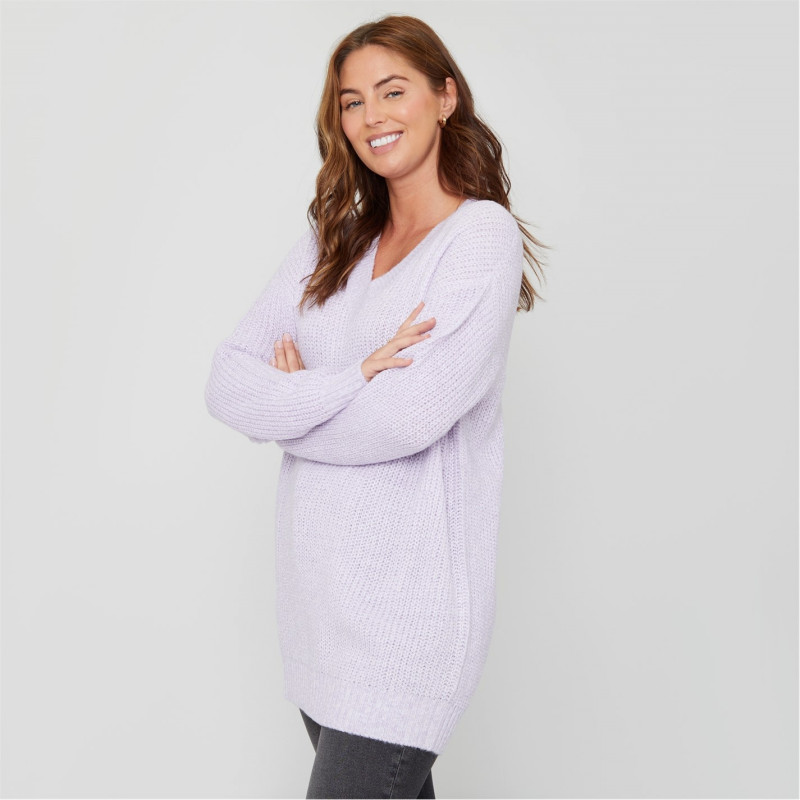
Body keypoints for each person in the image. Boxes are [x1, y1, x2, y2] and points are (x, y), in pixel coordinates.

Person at [205, 13, 548, 799]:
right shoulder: (335, 241)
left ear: (445, 97)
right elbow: (227, 381)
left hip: (404, 627)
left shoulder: (479, 238)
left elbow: (407, 417)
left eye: (393, 91)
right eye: (352, 102)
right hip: (319, 616)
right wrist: (354, 376)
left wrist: (290, 409)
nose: (372, 117)